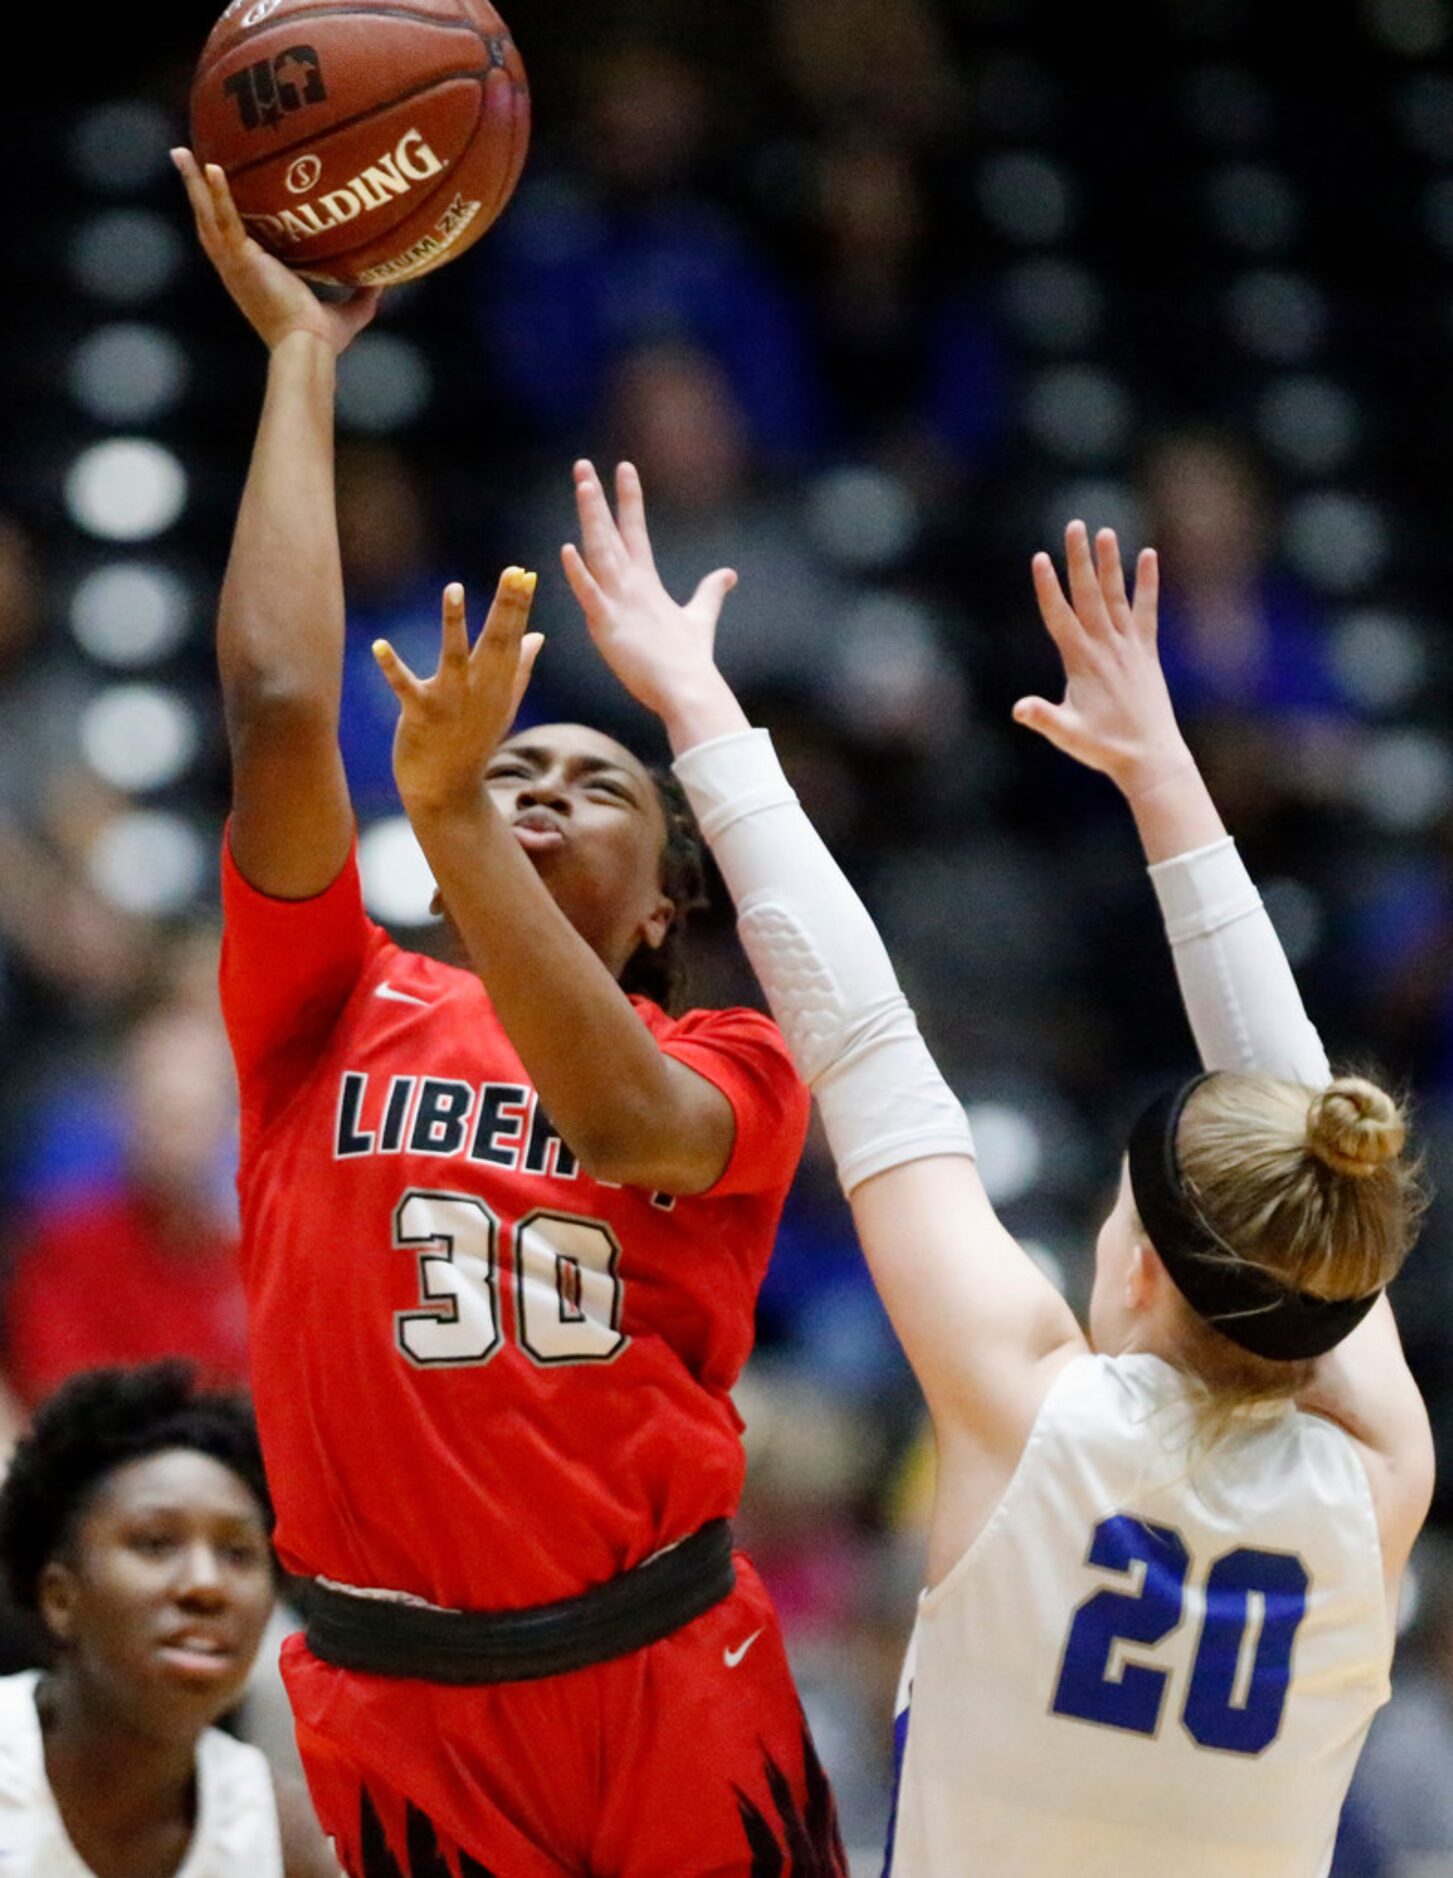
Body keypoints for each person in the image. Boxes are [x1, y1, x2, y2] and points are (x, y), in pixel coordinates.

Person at [565, 463, 1432, 1876]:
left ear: (1138, 1258)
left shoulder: (1035, 1410)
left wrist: (695, 702)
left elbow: (858, 1039)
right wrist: (1168, 777)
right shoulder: (1379, 1475)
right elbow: (1300, 1147)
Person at [170, 150, 846, 1878]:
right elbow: (269, 708)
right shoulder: (331, 1005)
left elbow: (620, 1129)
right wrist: (299, 363)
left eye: (589, 780)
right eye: (512, 761)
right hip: (396, 1700)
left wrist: (456, 814)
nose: (537, 782)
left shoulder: (733, 1065)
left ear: (671, 895)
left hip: (663, 1671)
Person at [0, 1360, 336, 1875]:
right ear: (60, 1598)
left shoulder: (284, 1837)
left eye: (238, 1554)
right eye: (155, 1544)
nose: (205, 1585)